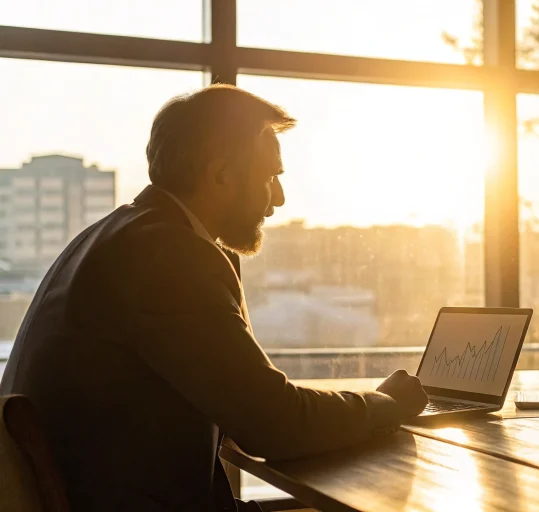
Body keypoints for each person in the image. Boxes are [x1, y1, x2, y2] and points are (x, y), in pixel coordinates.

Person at [0, 84, 428, 511]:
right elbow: (274, 424)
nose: (279, 199)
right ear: (220, 175)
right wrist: (384, 404)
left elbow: (251, 404)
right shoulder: (171, 255)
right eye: (270, 177)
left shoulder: (112, 236)